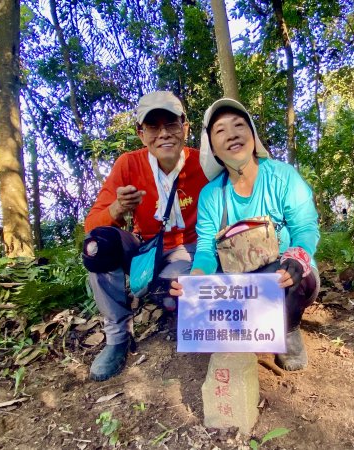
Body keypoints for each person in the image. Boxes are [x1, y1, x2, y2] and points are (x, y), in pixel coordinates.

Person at [171, 98, 320, 371]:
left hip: (282, 273)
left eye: (240, 125)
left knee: (293, 278)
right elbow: (205, 248)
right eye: (220, 130)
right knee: (180, 296)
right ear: (212, 148)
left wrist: (298, 260)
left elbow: (305, 228)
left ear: (252, 134)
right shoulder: (211, 195)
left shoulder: (283, 177)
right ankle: (247, 337)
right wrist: (195, 282)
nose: (232, 134)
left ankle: (287, 329)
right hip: (236, 278)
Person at [82, 91, 208, 381]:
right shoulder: (129, 164)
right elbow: (93, 223)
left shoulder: (204, 164)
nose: (163, 133)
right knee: (98, 246)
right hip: (146, 247)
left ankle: (166, 298)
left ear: (185, 128)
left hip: (188, 249)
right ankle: (117, 338)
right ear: (141, 134)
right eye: (153, 126)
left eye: (172, 124)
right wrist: (117, 208)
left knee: (175, 293)